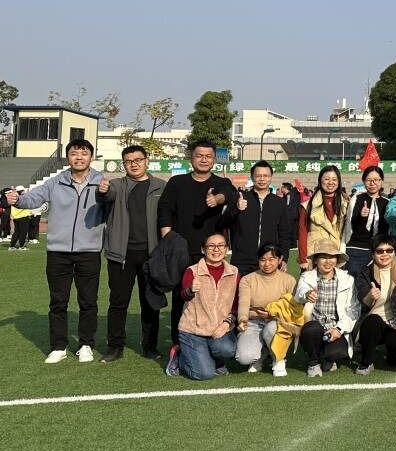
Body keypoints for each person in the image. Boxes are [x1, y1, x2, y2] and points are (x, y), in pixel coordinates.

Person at [5, 138, 107, 363]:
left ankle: (86, 344)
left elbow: (113, 203)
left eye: (84, 153)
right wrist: (18, 199)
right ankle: (59, 346)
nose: (79, 157)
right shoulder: (55, 182)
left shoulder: (102, 182)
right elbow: (34, 197)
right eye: (74, 153)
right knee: (58, 301)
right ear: (68, 157)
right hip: (58, 251)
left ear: (91, 157)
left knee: (88, 301)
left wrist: (107, 194)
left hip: (89, 251)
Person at [157, 140, 237, 346]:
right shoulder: (177, 182)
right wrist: (167, 237)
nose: (204, 160)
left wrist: (217, 199)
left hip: (210, 253)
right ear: (191, 158)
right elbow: (165, 209)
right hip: (181, 251)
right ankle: (178, 344)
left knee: (213, 298)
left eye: (208, 156)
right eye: (199, 155)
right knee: (181, 298)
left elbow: (230, 193)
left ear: (214, 159)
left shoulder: (221, 182)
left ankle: (212, 340)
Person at [97, 144, 165, 362]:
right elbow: (105, 196)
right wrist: (102, 191)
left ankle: (150, 346)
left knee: (150, 303)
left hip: (151, 255)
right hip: (121, 255)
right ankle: (115, 346)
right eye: (129, 161)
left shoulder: (161, 187)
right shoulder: (116, 186)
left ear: (147, 161)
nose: (134, 164)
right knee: (118, 303)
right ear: (123, 164)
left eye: (138, 160)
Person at [167, 232, 240, 380]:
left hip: (220, 329)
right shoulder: (192, 271)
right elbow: (184, 296)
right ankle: (179, 357)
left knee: (228, 349)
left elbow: (237, 304)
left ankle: (215, 360)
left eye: (221, 245)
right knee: (204, 374)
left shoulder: (234, 272)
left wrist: (227, 323)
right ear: (203, 249)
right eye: (211, 246)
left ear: (227, 249)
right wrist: (190, 289)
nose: (216, 249)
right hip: (193, 330)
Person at [293, 238, 361, 377]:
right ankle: (313, 362)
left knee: (336, 353)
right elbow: (299, 294)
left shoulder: (348, 280)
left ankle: (325, 356)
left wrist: (339, 329)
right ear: (316, 260)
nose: (328, 261)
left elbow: (354, 309)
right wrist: (307, 294)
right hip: (314, 327)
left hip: (335, 328)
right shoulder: (306, 277)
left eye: (332, 257)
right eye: (323, 257)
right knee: (311, 329)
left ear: (337, 260)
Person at [235, 242, 295, 374]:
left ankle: (278, 359)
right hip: (254, 322)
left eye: (271, 259)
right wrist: (242, 320)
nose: (267, 264)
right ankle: (261, 355)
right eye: (262, 260)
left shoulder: (289, 280)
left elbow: (291, 308)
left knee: (270, 329)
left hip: (278, 322)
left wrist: (272, 315)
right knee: (244, 358)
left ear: (280, 259)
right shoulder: (247, 280)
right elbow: (243, 303)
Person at [352, 237, 396, 374]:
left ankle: (393, 355)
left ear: (395, 252)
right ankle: (366, 362)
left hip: (394, 322)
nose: (385, 254)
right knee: (373, 320)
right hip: (371, 324)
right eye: (380, 251)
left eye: (389, 250)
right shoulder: (365, 273)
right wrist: (370, 296)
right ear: (373, 254)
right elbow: (361, 300)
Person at [228, 160, 290, 278]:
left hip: (269, 261)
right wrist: (236, 209)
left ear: (271, 177)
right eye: (258, 176)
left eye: (266, 176)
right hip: (242, 262)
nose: (262, 179)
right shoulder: (240, 198)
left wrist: (284, 258)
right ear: (252, 177)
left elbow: (284, 234)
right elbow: (223, 223)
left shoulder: (279, 203)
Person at [342, 165, 390, 279]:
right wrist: (361, 216)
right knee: (353, 283)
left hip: (379, 251)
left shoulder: (387, 202)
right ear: (364, 181)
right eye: (369, 180)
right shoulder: (356, 199)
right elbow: (349, 224)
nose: (372, 183)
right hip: (356, 249)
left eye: (376, 180)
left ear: (381, 181)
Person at [297, 164, 348, 262]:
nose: (330, 182)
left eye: (334, 179)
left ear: (339, 182)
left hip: (336, 254)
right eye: (327, 179)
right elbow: (302, 232)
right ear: (320, 181)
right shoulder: (308, 205)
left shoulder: (345, 204)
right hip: (314, 255)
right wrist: (303, 259)